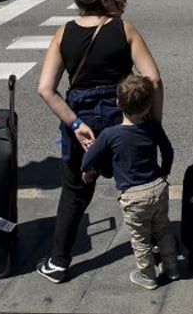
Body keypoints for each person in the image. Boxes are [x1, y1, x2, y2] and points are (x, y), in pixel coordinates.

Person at [36, 0, 165, 284]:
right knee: (137, 185)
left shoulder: (63, 33)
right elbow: (154, 79)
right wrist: (153, 123)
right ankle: (155, 249)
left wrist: (75, 123)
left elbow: (45, 89)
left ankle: (59, 262)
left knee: (76, 192)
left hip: (84, 122)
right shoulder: (125, 29)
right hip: (124, 121)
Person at [80, 74, 178, 291]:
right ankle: (172, 268)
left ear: (118, 103)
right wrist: (164, 172)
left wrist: (86, 170)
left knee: (140, 238)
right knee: (162, 229)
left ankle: (148, 275)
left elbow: (89, 158)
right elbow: (168, 151)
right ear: (149, 104)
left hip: (133, 195)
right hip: (158, 187)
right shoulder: (153, 127)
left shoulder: (110, 134)